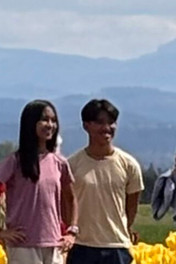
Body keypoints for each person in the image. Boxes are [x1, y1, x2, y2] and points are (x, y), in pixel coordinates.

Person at [0, 100, 77, 264]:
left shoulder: (60, 163)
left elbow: (71, 198)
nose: (50, 125)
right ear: (31, 123)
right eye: (44, 119)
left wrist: (72, 231)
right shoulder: (16, 162)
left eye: (53, 120)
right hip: (23, 246)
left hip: (53, 243)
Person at [66, 99, 144, 264]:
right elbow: (65, 203)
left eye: (112, 122)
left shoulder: (129, 164)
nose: (107, 128)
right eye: (100, 122)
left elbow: (132, 205)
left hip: (116, 246)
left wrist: (124, 227)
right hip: (81, 246)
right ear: (86, 126)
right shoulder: (72, 164)